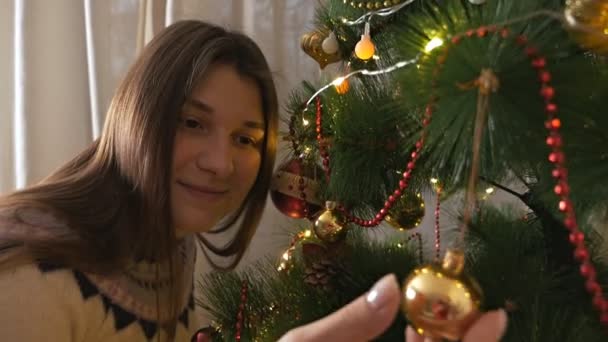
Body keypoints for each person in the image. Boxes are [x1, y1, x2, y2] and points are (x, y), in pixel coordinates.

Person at [0, 20, 506, 341]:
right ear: (139, 118)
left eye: (246, 139)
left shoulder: (170, 248)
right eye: (192, 122)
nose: (221, 163)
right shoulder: (33, 279)